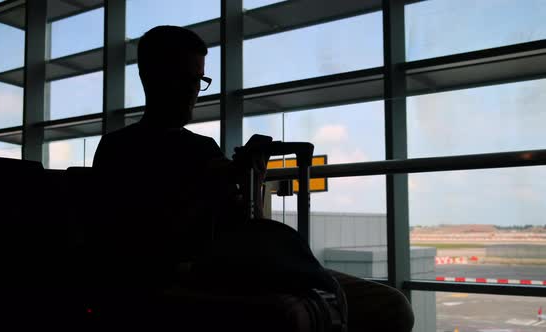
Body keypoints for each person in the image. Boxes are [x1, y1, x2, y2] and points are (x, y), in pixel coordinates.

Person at [93, 25, 413, 331]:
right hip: (206, 272)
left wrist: (252, 181)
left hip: (232, 267)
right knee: (388, 307)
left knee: (392, 306)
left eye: (199, 79)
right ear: (150, 76)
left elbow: (248, 224)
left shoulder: (146, 148)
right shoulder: (124, 151)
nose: (194, 90)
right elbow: (130, 247)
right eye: (184, 78)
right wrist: (207, 193)